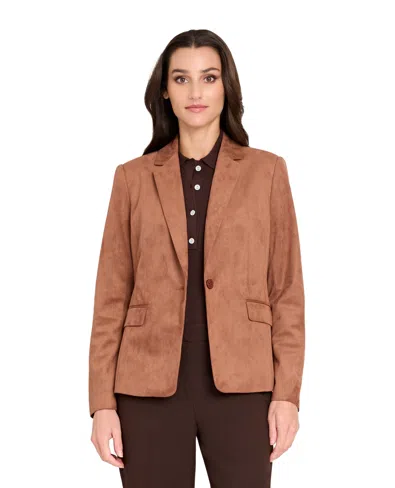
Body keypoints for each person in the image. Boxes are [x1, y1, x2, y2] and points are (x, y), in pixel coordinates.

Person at [89, 29, 305, 488]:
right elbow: (110, 298)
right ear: (165, 91)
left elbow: (286, 291)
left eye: (208, 77)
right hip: (146, 385)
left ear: (226, 86)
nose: (195, 92)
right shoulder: (132, 179)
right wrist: (102, 402)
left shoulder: (267, 172)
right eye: (181, 79)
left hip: (244, 384)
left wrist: (287, 394)